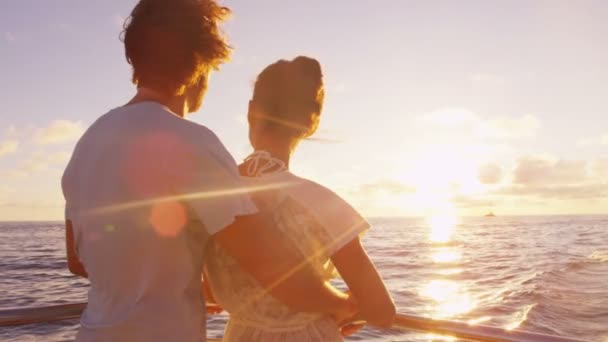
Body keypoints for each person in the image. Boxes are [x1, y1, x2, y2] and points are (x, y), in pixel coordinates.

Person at [62, 1, 356, 341]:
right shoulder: (191, 142)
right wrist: (343, 303)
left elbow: (78, 260)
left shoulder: (88, 142)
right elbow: (266, 264)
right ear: (201, 64)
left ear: (136, 59)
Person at [203, 56, 396, 341]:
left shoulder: (211, 194)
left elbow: (210, 291)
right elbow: (382, 312)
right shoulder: (320, 202)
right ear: (311, 121)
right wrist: (346, 306)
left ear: (251, 111)